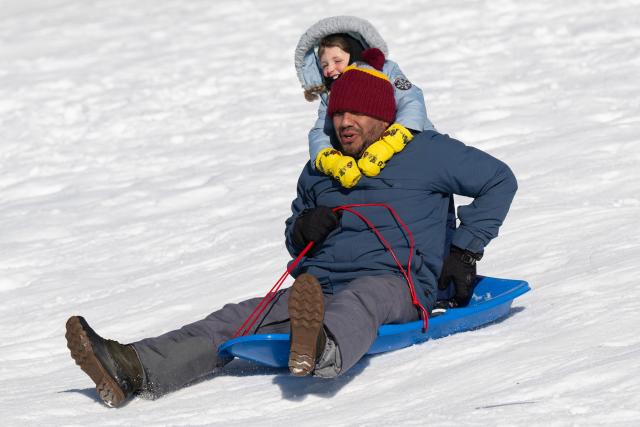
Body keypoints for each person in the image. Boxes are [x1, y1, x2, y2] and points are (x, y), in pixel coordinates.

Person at [65, 51, 517, 408]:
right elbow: (292, 232)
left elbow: (500, 180)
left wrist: (464, 251)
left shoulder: (429, 153)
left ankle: (323, 349)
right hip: (318, 289)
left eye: (355, 114)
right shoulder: (320, 172)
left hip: (398, 283)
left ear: (382, 116)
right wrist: (303, 228)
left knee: (364, 298)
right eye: (338, 115)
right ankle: (133, 368)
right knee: (235, 316)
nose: (343, 123)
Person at [294, 16, 436, 188]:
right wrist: (328, 158)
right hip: (367, 161)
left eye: (337, 61)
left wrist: (395, 138)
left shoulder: (385, 71)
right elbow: (321, 130)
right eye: (324, 65)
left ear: (354, 53)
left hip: (413, 144)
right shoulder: (332, 94)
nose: (330, 69)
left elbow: (411, 100)